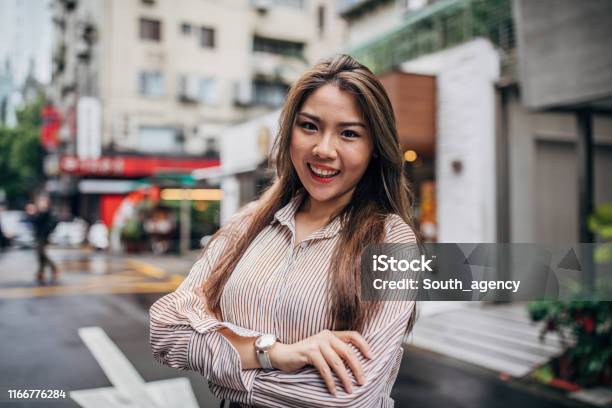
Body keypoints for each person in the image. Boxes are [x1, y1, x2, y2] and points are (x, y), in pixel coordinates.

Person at [149, 54, 419, 407]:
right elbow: (165, 330)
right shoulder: (248, 223)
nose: (323, 150)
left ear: (374, 150)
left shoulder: (392, 242)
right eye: (309, 126)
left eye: (349, 133)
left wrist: (222, 369)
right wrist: (271, 353)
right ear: (289, 129)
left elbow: (349, 397)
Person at [28, 196, 59, 284]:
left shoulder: (47, 212)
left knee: (40, 253)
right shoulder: (39, 212)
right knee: (39, 255)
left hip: (44, 236)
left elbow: (54, 222)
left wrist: (49, 230)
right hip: (38, 235)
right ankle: (41, 272)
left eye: (43, 202)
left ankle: (53, 268)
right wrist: (31, 214)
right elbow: (34, 222)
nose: (41, 203)